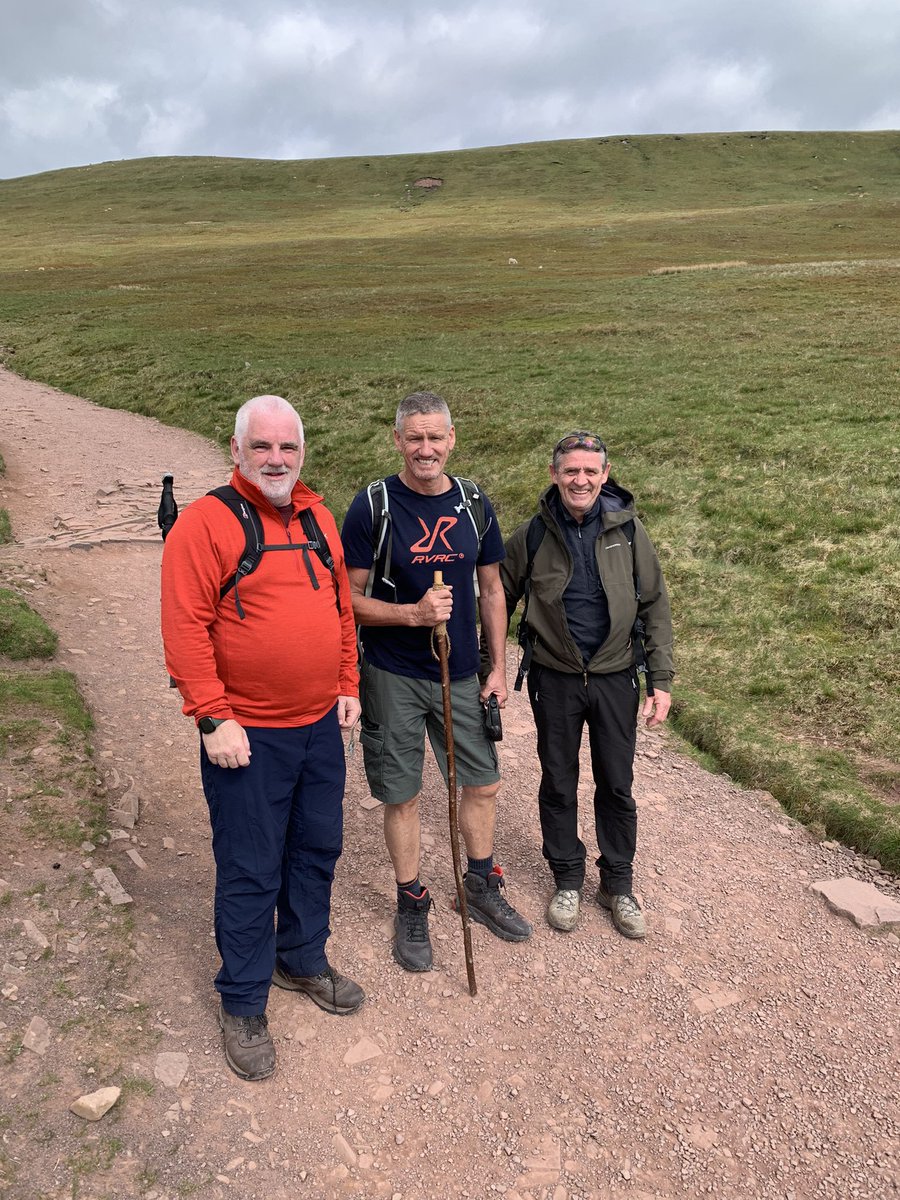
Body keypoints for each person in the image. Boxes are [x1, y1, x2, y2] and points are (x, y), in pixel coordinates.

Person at [160, 394, 364, 1082]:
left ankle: (301, 958)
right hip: (246, 734)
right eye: (263, 447)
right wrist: (212, 716)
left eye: (288, 447)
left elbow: (339, 606)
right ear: (236, 449)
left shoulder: (317, 516)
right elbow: (184, 626)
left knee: (316, 848)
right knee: (251, 867)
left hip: (317, 727)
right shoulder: (205, 523)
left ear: (301, 453)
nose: (276, 459)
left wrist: (346, 682)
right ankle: (243, 1001)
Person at [341, 391, 532, 972]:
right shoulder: (373, 506)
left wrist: (497, 666)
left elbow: (493, 590)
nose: (426, 449)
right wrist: (411, 616)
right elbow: (346, 599)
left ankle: (478, 882)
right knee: (400, 793)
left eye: (436, 437)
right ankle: (411, 899)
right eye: (414, 438)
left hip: (463, 672)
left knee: (481, 783)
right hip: (392, 673)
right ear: (397, 440)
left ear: (452, 439)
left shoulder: (474, 502)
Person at [501, 431, 673, 939]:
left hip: (616, 676)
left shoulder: (630, 531)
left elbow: (655, 604)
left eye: (590, 471)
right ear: (555, 474)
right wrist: (487, 666)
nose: (581, 480)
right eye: (570, 471)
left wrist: (659, 679)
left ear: (605, 473)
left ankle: (617, 884)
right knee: (558, 779)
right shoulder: (531, 535)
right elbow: (495, 599)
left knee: (616, 783)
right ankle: (567, 878)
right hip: (554, 679)